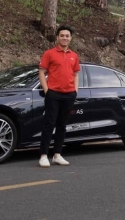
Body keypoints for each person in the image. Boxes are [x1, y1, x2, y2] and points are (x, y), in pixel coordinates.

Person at [38, 25, 80, 167]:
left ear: (71, 38)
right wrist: (47, 91)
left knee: (62, 125)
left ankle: (57, 155)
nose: (64, 38)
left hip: (69, 95)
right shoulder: (49, 53)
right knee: (49, 124)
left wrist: (75, 91)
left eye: (67, 36)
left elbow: (76, 74)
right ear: (57, 37)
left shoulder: (74, 55)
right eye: (62, 35)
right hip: (53, 94)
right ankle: (43, 155)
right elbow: (42, 72)